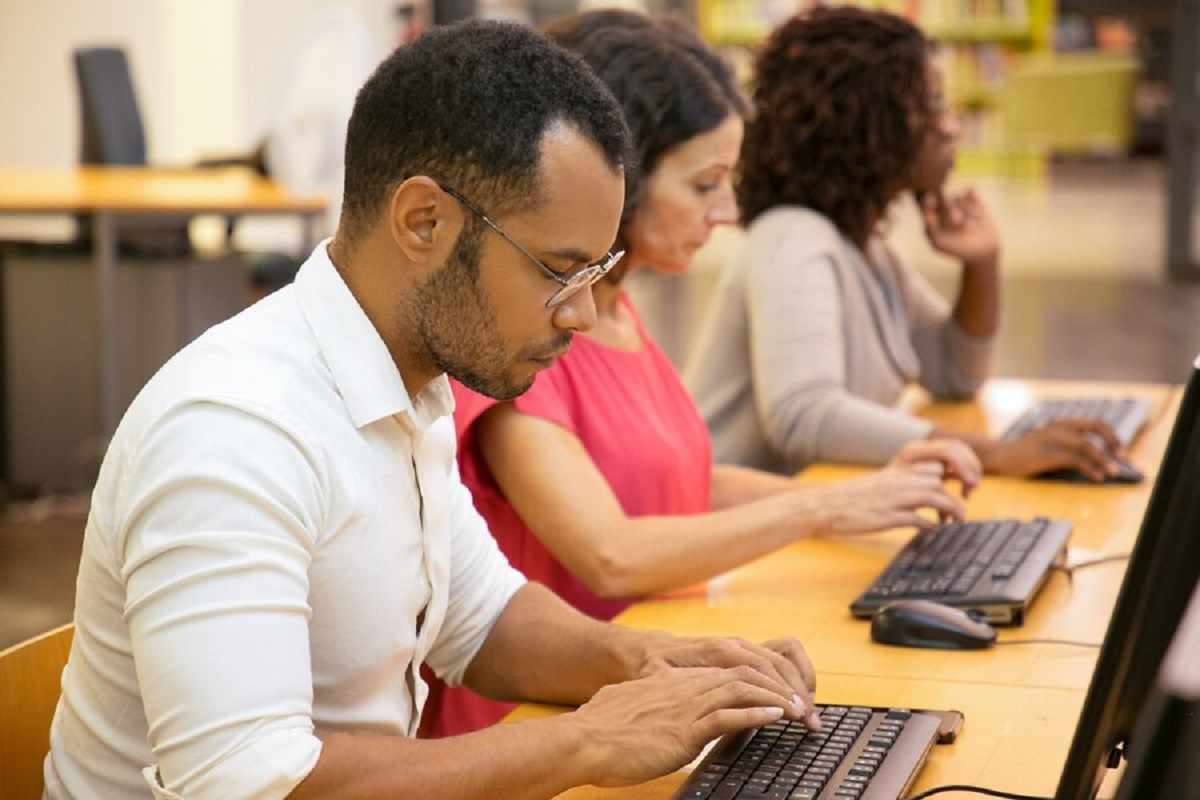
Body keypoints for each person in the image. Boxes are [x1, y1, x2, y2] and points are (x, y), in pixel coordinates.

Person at [43, 21, 826, 800]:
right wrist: (593, 737)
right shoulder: (236, 428)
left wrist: (654, 664)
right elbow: (248, 783)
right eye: (559, 272)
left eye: (597, 272)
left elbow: (481, 619)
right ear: (424, 221)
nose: (583, 316)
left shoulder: (410, 378)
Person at [426, 8, 981, 738]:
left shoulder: (618, 311)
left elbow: (678, 476)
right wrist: (815, 510)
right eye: (704, 185)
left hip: (648, 692)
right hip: (543, 724)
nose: (726, 211)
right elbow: (610, 553)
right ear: (610, 180)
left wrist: (862, 500)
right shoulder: (528, 340)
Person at [685, 5, 1127, 483]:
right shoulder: (793, 239)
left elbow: (953, 376)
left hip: (804, 521)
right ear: (867, 123)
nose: (951, 127)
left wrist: (982, 264)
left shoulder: (866, 250)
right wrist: (994, 454)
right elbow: (803, 416)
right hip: (740, 549)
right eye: (931, 106)